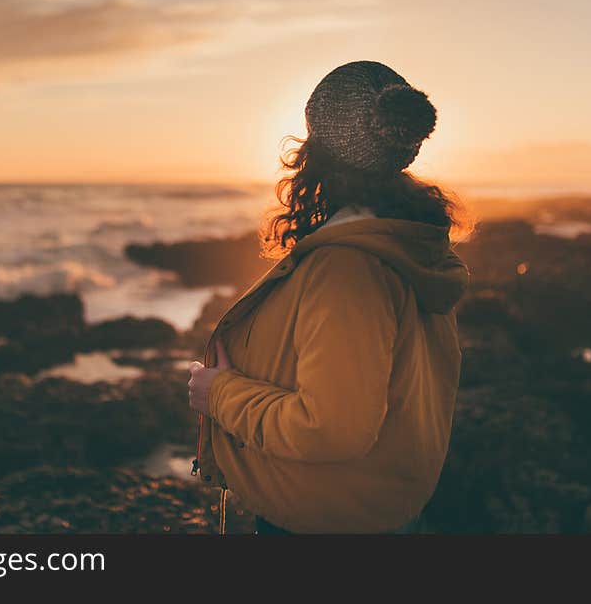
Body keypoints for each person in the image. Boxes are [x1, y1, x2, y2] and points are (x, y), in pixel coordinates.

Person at [187, 61, 471, 534]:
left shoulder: (348, 268)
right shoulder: (401, 241)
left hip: (325, 525)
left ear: (318, 148)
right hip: (371, 512)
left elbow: (331, 428)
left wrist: (219, 394)